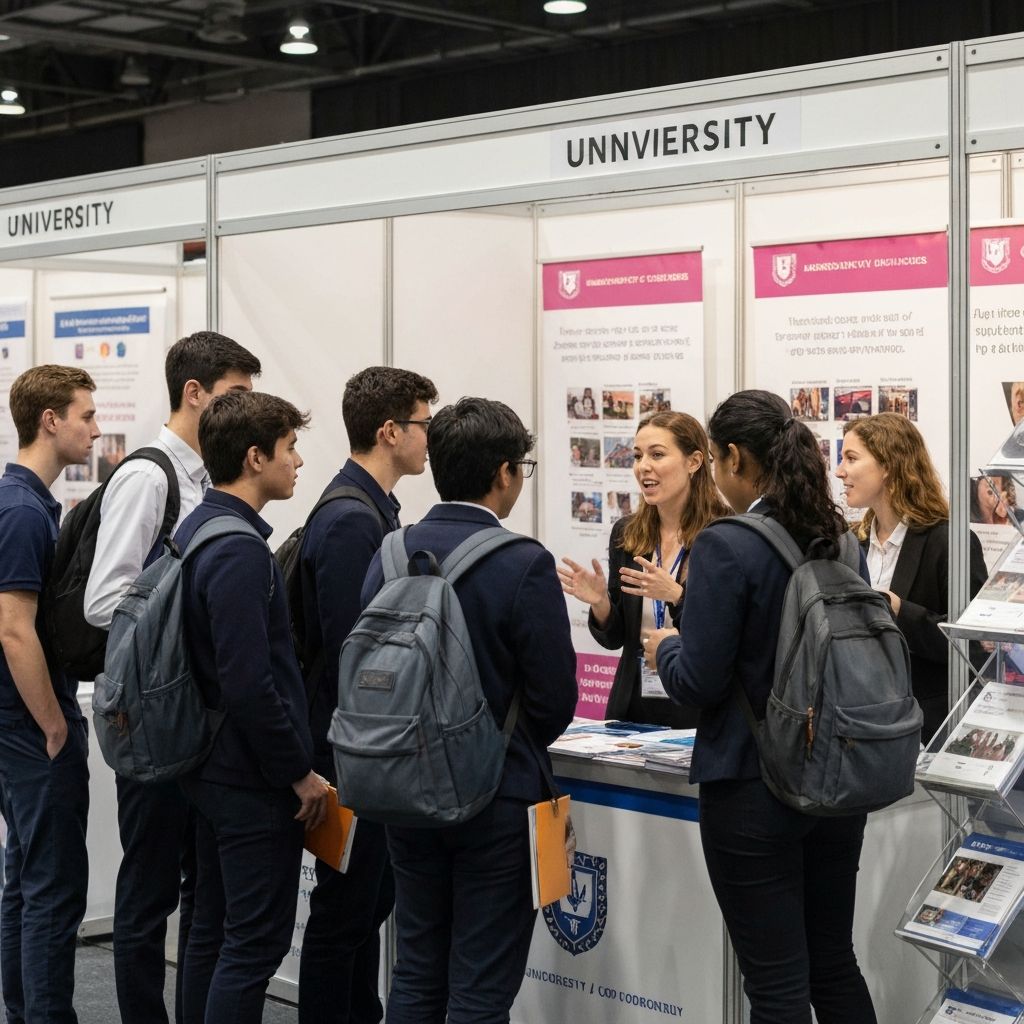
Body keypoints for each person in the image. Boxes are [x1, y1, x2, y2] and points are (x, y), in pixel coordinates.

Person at [646, 389, 877, 1024]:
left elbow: (698, 681)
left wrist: (667, 646)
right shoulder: (840, 539)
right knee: (833, 963)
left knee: (775, 987)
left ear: (731, 457)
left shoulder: (727, 544)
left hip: (753, 785)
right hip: (836, 775)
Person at [361, 397, 577, 1024]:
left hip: (402, 785)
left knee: (418, 967)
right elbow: (553, 699)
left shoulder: (391, 552)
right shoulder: (522, 562)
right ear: (505, 473)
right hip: (496, 796)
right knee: (481, 987)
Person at [83, 330, 261, 1024]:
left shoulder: (203, 481)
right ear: (196, 393)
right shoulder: (147, 476)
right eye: (236, 394)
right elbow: (105, 599)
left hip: (196, 725)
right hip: (153, 722)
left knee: (200, 894)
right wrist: (185, 619)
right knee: (148, 892)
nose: (248, 407)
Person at [175, 390, 331, 1024]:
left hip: (210, 766)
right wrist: (298, 771)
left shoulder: (201, 528)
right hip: (248, 779)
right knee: (253, 944)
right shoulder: (239, 549)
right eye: (289, 449)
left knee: (211, 932)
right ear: (254, 456)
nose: (297, 462)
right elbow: (250, 683)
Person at [297, 366, 437, 1024]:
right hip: (350, 755)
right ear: (390, 431)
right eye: (423, 424)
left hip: (356, 750)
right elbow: (359, 651)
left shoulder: (367, 508)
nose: (429, 438)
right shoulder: (353, 520)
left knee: (364, 904)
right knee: (346, 910)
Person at [0, 364, 100, 1023]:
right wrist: (53, 725)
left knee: (26, 883)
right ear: (50, 421)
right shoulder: (21, 511)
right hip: (29, 727)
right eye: (87, 416)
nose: (97, 429)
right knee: (52, 891)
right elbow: (14, 628)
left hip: (20, 725)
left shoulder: (27, 502)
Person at [558, 411, 729, 726]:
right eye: (638, 456)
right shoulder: (628, 534)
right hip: (634, 702)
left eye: (657, 454)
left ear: (694, 462)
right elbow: (616, 636)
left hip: (697, 704)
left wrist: (677, 595)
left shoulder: (723, 535)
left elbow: (725, 634)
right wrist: (601, 604)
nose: (643, 466)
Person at [837, 413, 987, 737]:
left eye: (851, 458)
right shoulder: (850, 543)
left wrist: (898, 610)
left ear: (888, 465)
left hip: (929, 728)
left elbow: (973, 647)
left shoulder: (951, 541)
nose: (839, 471)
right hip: (859, 725)